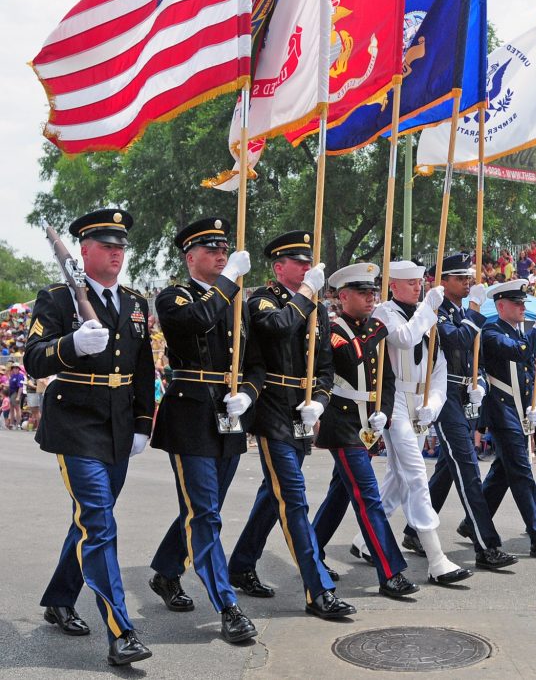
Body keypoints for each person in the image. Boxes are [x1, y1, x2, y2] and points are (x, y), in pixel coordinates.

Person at [24, 209, 155, 665]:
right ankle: (122, 632)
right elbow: (33, 359)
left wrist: (143, 424)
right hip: (75, 424)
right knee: (100, 524)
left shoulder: (135, 303)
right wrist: (71, 346)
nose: (116, 252)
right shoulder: (59, 298)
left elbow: (143, 369)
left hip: (118, 426)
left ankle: (60, 598)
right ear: (83, 251)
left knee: (89, 522)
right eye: (105, 244)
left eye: (120, 245)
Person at [228, 231, 355, 619]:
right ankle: (318, 589)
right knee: (294, 497)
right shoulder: (262, 300)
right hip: (271, 411)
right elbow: (278, 327)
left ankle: (242, 563)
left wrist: (318, 402)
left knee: (274, 493)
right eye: (298, 263)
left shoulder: (316, 309)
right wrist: (306, 295)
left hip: (301, 412)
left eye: (308, 263)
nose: (306, 269)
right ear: (279, 267)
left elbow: (326, 369)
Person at [148, 218, 259, 644]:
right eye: (212, 250)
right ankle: (226, 605)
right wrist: (230, 279)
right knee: (206, 513)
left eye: (224, 249)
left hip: (229, 417)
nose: (221, 255)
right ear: (190, 257)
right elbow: (195, 321)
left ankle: (165, 571)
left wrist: (248, 393)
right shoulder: (173, 296)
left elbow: (257, 363)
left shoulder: (237, 302)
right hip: (191, 415)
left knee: (202, 509)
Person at [352, 260, 473, 585]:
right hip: (393, 404)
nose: (418, 288)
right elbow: (404, 339)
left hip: (420, 403)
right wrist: (429, 310)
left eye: (420, 283)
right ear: (394, 286)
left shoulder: (427, 313)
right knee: (417, 476)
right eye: (410, 283)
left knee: (399, 477)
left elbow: (440, 364)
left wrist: (434, 403)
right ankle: (436, 559)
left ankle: (364, 540)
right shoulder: (384, 313)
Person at [401, 254, 517, 571]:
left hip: (462, 392)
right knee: (467, 467)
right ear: (444, 281)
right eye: (460, 277)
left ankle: (414, 531)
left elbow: (469, 355)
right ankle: (486, 545)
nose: (467, 282)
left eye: (468, 277)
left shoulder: (462, 311)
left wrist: (476, 382)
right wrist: (477, 313)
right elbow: (455, 341)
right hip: (441, 394)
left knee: (448, 468)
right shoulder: (434, 310)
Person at [312, 263, 419, 598]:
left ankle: (310, 552)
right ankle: (390, 571)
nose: (371, 297)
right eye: (363, 292)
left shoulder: (373, 327)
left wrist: (383, 413)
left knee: (340, 494)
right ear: (342, 296)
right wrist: (380, 326)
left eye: (373, 291)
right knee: (367, 495)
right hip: (341, 422)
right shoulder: (332, 326)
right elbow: (352, 357)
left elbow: (386, 379)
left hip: (365, 423)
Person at [461, 280, 536, 560]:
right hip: (501, 411)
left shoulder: (520, 331)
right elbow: (518, 351)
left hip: (520, 411)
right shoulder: (492, 331)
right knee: (521, 472)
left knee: (502, 473)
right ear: (501, 306)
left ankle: (472, 523)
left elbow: (531, 375)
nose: (523, 307)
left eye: (524, 303)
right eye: (517, 303)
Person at [7, 362, 23, 429]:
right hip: (11, 394)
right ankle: (11, 423)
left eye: (16, 368)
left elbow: (20, 387)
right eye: (13, 368)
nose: (15, 369)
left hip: (16, 393)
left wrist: (18, 396)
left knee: (17, 408)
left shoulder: (20, 376)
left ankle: (18, 424)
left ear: (19, 369)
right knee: (11, 409)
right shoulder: (13, 375)